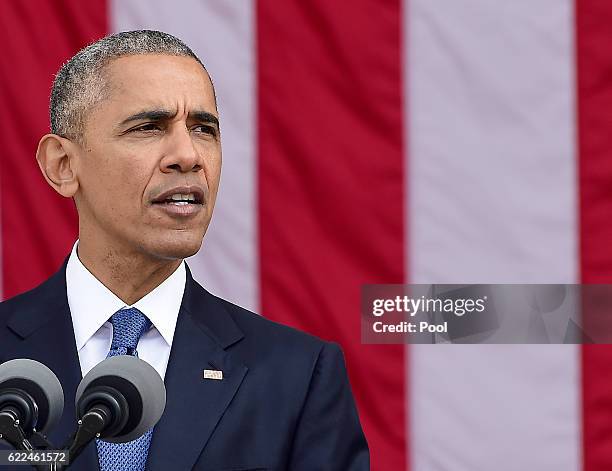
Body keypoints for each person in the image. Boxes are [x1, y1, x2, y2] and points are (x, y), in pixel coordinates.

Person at [0, 30, 369, 470]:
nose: (188, 155)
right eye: (148, 127)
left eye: (203, 129)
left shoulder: (297, 374)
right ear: (63, 165)